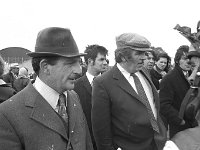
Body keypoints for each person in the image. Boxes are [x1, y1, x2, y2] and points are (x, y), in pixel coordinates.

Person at [0, 27, 93, 150]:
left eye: (79, 63)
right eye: (70, 63)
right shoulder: (8, 114)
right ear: (45, 67)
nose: (79, 70)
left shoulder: (74, 97)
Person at [92, 33, 167, 150]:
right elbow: (101, 131)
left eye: (145, 53)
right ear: (122, 56)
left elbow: (153, 106)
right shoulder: (103, 83)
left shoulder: (144, 72)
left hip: (157, 143)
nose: (144, 57)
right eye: (138, 53)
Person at [74, 44, 108, 150]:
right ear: (90, 61)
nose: (105, 62)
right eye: (101, 59)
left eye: (106, 59)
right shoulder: (75, 86)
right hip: (87, 143)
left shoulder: (110, 84)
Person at [159, 45, 195, 138]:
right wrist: (180, 120)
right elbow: (164, 105)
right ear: (177, 60)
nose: (188, 61)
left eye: (190, 58)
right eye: (184, 58)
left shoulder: (194, 76)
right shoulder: (168, 79)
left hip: (194, 125)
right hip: (180, 128)